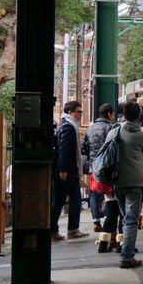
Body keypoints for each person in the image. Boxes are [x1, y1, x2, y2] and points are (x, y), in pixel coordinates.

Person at [115, 100, 143, 268]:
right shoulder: (141, 134)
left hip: (117, 181)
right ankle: (127, 256)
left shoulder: (115, 131)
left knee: (126, 218)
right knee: (131, 221)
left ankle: (127, 249)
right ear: (139, 116)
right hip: (134, 181)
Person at [51, 101, 88, 241]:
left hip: (64, 169)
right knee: (75, 198)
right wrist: (64, 169)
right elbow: (65, 149)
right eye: (79, 112)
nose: (80, 115)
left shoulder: (64, 125)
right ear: (71, 112)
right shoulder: (69, 127)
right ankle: (72, 229)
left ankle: (53, 230)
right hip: (67, 170)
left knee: (59, 200)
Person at [82, 103, 115, 233]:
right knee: (109, 192)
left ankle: (96, 221)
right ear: (109, 114)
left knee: (94, 193)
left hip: (93, 166)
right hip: (107, 166)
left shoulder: (90, 129)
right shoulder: (110, 128)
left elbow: (84, 147)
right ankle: (108, 216)